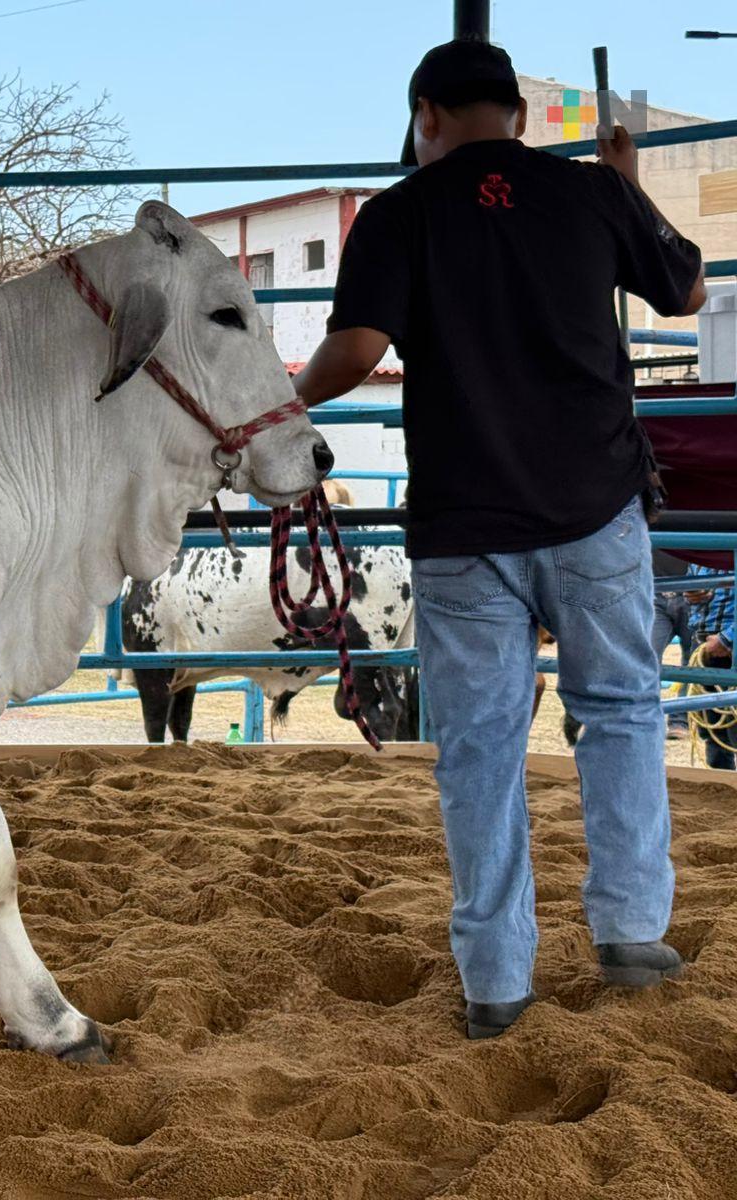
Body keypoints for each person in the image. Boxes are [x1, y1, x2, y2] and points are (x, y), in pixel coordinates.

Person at [293, 39, 706, 1039]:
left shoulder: (398, 213)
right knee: (619, 710)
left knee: (479, 747)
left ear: (426, 116)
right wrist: (625, 187)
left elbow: (356, 349)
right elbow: (687, 291)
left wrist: (278, 402)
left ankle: (495, 982)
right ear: (517, 114)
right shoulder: (591, 194)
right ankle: (630, 934)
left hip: (463, 522)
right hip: (594, 505)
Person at [688, 563, 736, 770]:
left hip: (727, 644)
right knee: (712, 728)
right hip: (705, 642)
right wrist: (691, 594)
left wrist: (728, 638)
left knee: (732, 725)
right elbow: (690, 589)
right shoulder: (696, 557)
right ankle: (722, 782)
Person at [651, 550, 695, 739]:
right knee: (647, 656)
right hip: (656, 591)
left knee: (692, 660)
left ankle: (680, 719)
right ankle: (646, 718)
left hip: (694, 592)